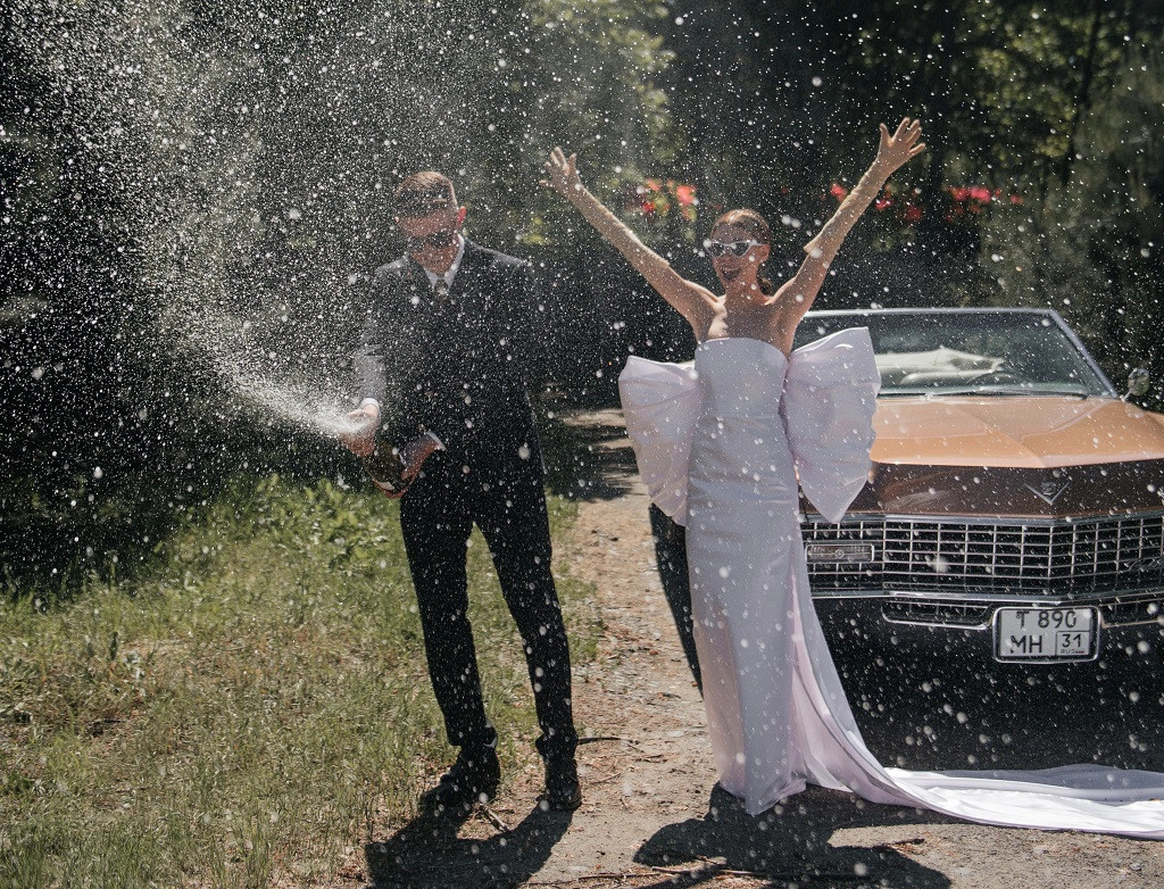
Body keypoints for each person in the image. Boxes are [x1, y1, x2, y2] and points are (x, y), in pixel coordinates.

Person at [544, 130, 1164, 839]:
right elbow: (641, 255)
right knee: (717, 630)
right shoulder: (700, 309)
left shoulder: (781, 311)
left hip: (764, 494)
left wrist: (881, 167)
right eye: (715, 245)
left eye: (736, 245)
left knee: (764, 630)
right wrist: (580, 195)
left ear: (761, 252)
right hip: (712, 494)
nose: (723, 255)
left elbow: (827, 243)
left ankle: (773, 772)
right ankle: (741, 765)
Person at [343, 171, 579, 816]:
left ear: (460, 216)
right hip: (427, 482)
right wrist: (368, 408)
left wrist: (434, 436)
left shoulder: (510, 275)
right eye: (417, 240)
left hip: (506, 467)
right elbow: (372, 351)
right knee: (442, 617)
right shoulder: (387, 284)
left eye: (440, 236)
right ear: (401, 229)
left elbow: (514, 369)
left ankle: (560, 754)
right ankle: (474, 758)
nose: (430, 252)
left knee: (534, 607)